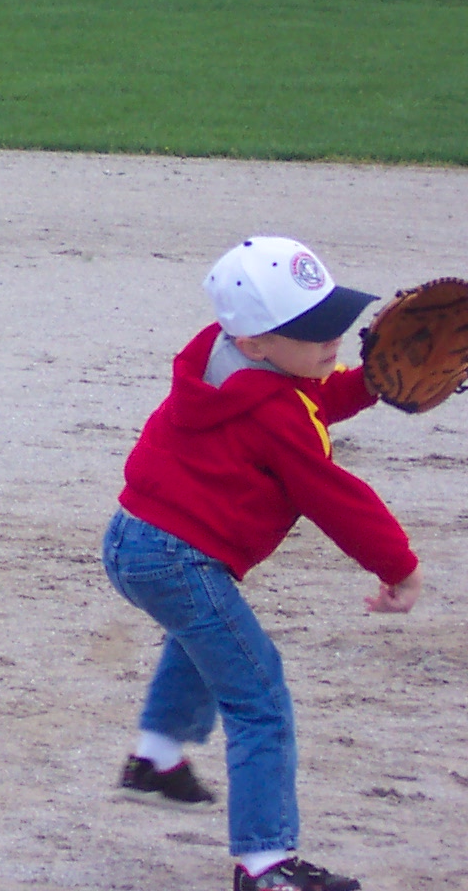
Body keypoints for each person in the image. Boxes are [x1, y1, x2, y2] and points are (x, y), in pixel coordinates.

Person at [103, 236, 423, 891]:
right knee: (259, 697)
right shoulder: (276, 412)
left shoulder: (221, 359)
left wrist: (365, 383)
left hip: (133, 539)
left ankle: (156, 758)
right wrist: (398, 566)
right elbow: (334, 496)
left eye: (335, 318)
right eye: (312, 330)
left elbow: (308, 398)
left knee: (202, 636)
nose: (333, 338)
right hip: (179, 558)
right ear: (255, 343)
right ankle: (265, 863)